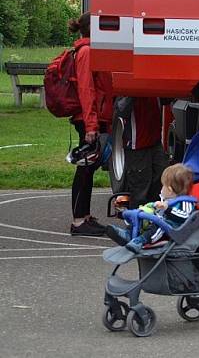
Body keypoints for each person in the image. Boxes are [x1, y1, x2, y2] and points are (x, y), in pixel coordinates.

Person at [68, 13, 113, 237]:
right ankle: (78, 221)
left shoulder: (91, 50)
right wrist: (91, 126)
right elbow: (86, 90)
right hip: (88, 119)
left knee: (89, 167)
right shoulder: (86, 52)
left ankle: (84, 216)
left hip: (94, 118)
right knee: (85, 168)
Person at [106, 163, 196, 252]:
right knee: (143, 220)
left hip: (173, 230)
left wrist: (167, 209)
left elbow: (186, 216)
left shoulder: (185, 202)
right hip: (161, 223)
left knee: (157, 226)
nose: (161, 188)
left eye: (163, 185)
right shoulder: (167, 201)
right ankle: (128, 234)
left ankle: (140, 241)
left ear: (170, 189)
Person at [115, 96, 170, 209]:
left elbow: (167, 99)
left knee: (162, 178)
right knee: (140, 189)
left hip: (155, 142)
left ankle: (152, 219)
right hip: (137, 145)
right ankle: (136, 222)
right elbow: (121, 110)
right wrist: (134, 92)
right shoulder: (129, 85)